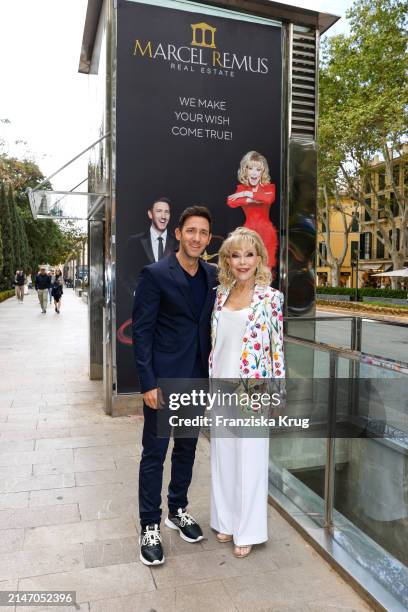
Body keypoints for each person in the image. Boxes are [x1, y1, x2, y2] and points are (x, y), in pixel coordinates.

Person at [132, 206, 217, 566]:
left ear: (209, 239)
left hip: (197, 379)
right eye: (191, 231)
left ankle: (177, 508)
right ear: (178, 233)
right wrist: (148, 382)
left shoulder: (213, 275)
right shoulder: (155, 274)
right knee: (155, 454)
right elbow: (142, 331)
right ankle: (149, 524)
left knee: (186, 449)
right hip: (164, 383)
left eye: (204, 233)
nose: (197, 238)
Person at [208, 227, 285, 558]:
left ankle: (249, 529)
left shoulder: (271, 297)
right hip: (219, 384)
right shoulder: (220, 293)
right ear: (227, 259)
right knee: (223, 457)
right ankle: (225, 521)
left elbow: (276, 349)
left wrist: (277, 394)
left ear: (259, 258)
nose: (242, 261)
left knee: (251, 460)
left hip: (253, 388)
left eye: (249, 254)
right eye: (235, 255)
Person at [227, 151, 278, 271]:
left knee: (266, 267)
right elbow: (231, 202)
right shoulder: (241, 187)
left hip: (266, 231)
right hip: (248, 231)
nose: (254, 173)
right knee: (247, 267)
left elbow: (268, 198)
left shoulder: (269, 188)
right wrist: (252, 200)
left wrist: (246, 194)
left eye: (258, 169)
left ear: (263, 172)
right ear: (245, 170)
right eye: (250, 168)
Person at [126, 197, 177, 293]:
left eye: (167, 212)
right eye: (159, 211)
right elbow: (125, 274)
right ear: (150, 214)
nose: (163, 216)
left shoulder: (178, 242)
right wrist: (136, 292)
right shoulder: (135, 242)